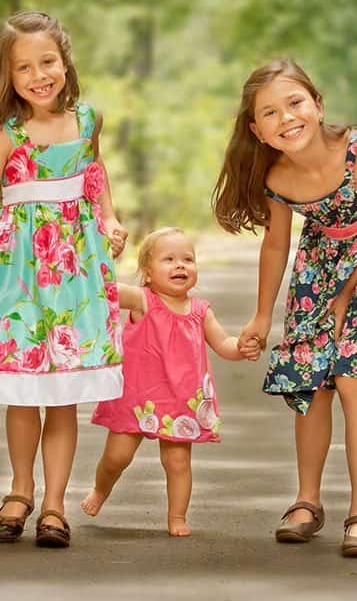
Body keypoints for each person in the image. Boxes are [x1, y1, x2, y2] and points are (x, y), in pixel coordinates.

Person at [213, 58, 357, 557]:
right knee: (309, 379)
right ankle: (307, 502)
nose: (286, 118)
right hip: (323, 258)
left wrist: (347, 294)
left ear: (317, 104)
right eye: (270, 113)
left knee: (352, 373)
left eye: (295, 103)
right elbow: (275, 246)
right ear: (257, 130)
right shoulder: (275, 174)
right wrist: (262, 316)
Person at [0, 11, 127, 548]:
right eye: (24, 67)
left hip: (77, 273)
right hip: (20, 275)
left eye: (46, 61)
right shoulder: (5, 137)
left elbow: (95, 179)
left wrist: (111, 220)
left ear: (65, 61)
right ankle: (20, 488)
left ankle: (55, 504)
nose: (38, 75)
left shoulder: (90, 121)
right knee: (25, 393)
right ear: (9, 76)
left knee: (64, 394)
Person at [81, 228, 260, 536]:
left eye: (188, 259)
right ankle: (100, 489)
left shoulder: (201, 311)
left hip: (180, 401)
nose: (180, 266)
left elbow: (223, 344)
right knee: (117, 457)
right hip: (137, 398)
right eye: (169, 259)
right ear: (147, 274)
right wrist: (103, 253)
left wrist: (241, 348)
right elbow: (105, 288)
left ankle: (177, 516)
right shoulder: (142, 300)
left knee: (177, 463)